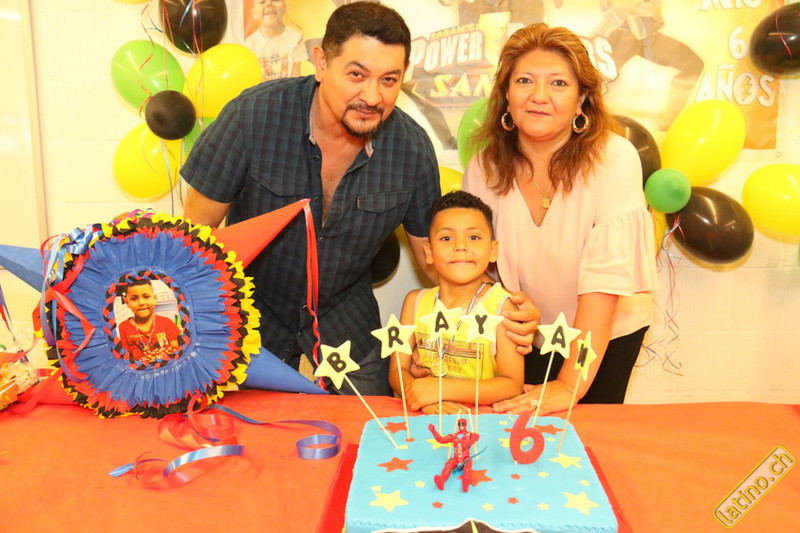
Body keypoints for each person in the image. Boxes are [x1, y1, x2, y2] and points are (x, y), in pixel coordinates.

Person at [182, 2, 538, 396]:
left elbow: (436, 258)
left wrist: (499, 306)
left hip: (350, 336)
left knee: (369, 435)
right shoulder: (253, 117)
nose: (372, 96)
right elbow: (193, 241)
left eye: (389, 80)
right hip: (249, 333)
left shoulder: (410, 149)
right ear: (321, 62)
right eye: (357, 74)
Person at [462, 23, 658, 414]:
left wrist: (570, 384)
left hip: (604, 335)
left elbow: (604, 285)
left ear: (582, 98)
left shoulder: (614, 158)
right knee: (522, 434)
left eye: (558, 83)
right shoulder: (484, 166)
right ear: (506, 94)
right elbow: (475, 269)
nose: (539, 96)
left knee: (588, 434)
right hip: (526, 335)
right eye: (524, 81)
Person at [390, 191, 523, 414]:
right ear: (429, 251)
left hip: (481, 422)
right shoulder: (415, 303)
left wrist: (439, 389)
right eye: (446, 238)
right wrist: (422, 397)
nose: (460, 246)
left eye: (473, 237)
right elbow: (397, 370)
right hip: (426, 417)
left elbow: (512, 384)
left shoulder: (503, 307)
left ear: (493, 250)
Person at [117, 280, 181, 363]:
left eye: (146, 297)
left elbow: (176, 352)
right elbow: (126, 358)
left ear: (154, 299)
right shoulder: (123, 327)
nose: (141, 303)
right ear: (127, 302)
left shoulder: (167, 322)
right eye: (134, 299)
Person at [245, 0, 307, 81]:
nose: (269, 4)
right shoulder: (249, 44)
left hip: (290, 88)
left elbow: (296, 77)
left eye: (275, 0)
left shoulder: (296, 38)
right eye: (262, 2)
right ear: (254, 13)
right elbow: (256, 78)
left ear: (284, 8)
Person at [428, 418, 481, 492]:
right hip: (456, 458)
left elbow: (476, 438)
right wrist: (433, 431)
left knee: (467, 469)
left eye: (463, 423)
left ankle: (465, 484)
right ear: (457, 425)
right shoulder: (454, 436)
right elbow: (441, 440)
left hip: (466, 457)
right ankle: (441, 480)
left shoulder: (470, 435)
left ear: (466, 424)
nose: (461, 425)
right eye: (459, 424)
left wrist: (469, 441)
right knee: (448, 465)